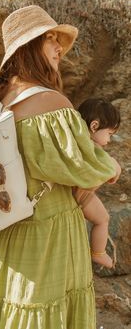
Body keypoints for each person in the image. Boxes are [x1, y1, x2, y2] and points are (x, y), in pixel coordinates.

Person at [0, 5, 121, 329]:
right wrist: (112, 166)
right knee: (41, 313)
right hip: (45, 235)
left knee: (0, 310)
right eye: (49, 39)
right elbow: (85, 167)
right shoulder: (50, 103)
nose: (59, 47)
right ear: (29, 47)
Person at [73, 98, 121, 269]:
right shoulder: (89, 147)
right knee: (102, 219)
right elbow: (103, 171)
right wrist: (114, 168)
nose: (110, 139)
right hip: (81, 197)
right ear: (94, 126)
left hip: (80, 194)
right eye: (109, 133)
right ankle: (98, 253)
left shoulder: (75, 140)